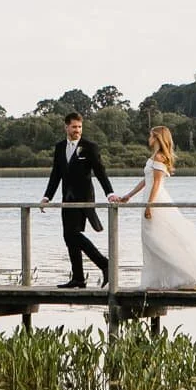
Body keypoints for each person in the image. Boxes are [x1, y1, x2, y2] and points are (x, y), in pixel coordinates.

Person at [118, 126, 196, 291]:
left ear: (157, 138)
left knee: (158, 240)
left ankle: (188, 276)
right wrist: (129, 195)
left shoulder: (160, 158)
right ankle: (158, 279)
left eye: (151, 136)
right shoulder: (153, 157)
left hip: (155, 200)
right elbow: (146, 180)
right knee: (149, 240)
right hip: (148, 198)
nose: (149, 138)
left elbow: (156, 184)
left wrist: (150, 205)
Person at [41, 112, 118, 288]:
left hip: (84, 199)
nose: (77, 130)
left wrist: (110, 193)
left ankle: (105, 264)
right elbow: (56, 174)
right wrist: (47, 196)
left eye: (80, 127)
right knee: (68, 237)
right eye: (74, 127)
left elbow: (100, 172)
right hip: (66, 199)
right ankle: (78, 278)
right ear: (66, 127)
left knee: (73, 234)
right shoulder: (60, 147)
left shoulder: (90, 147)